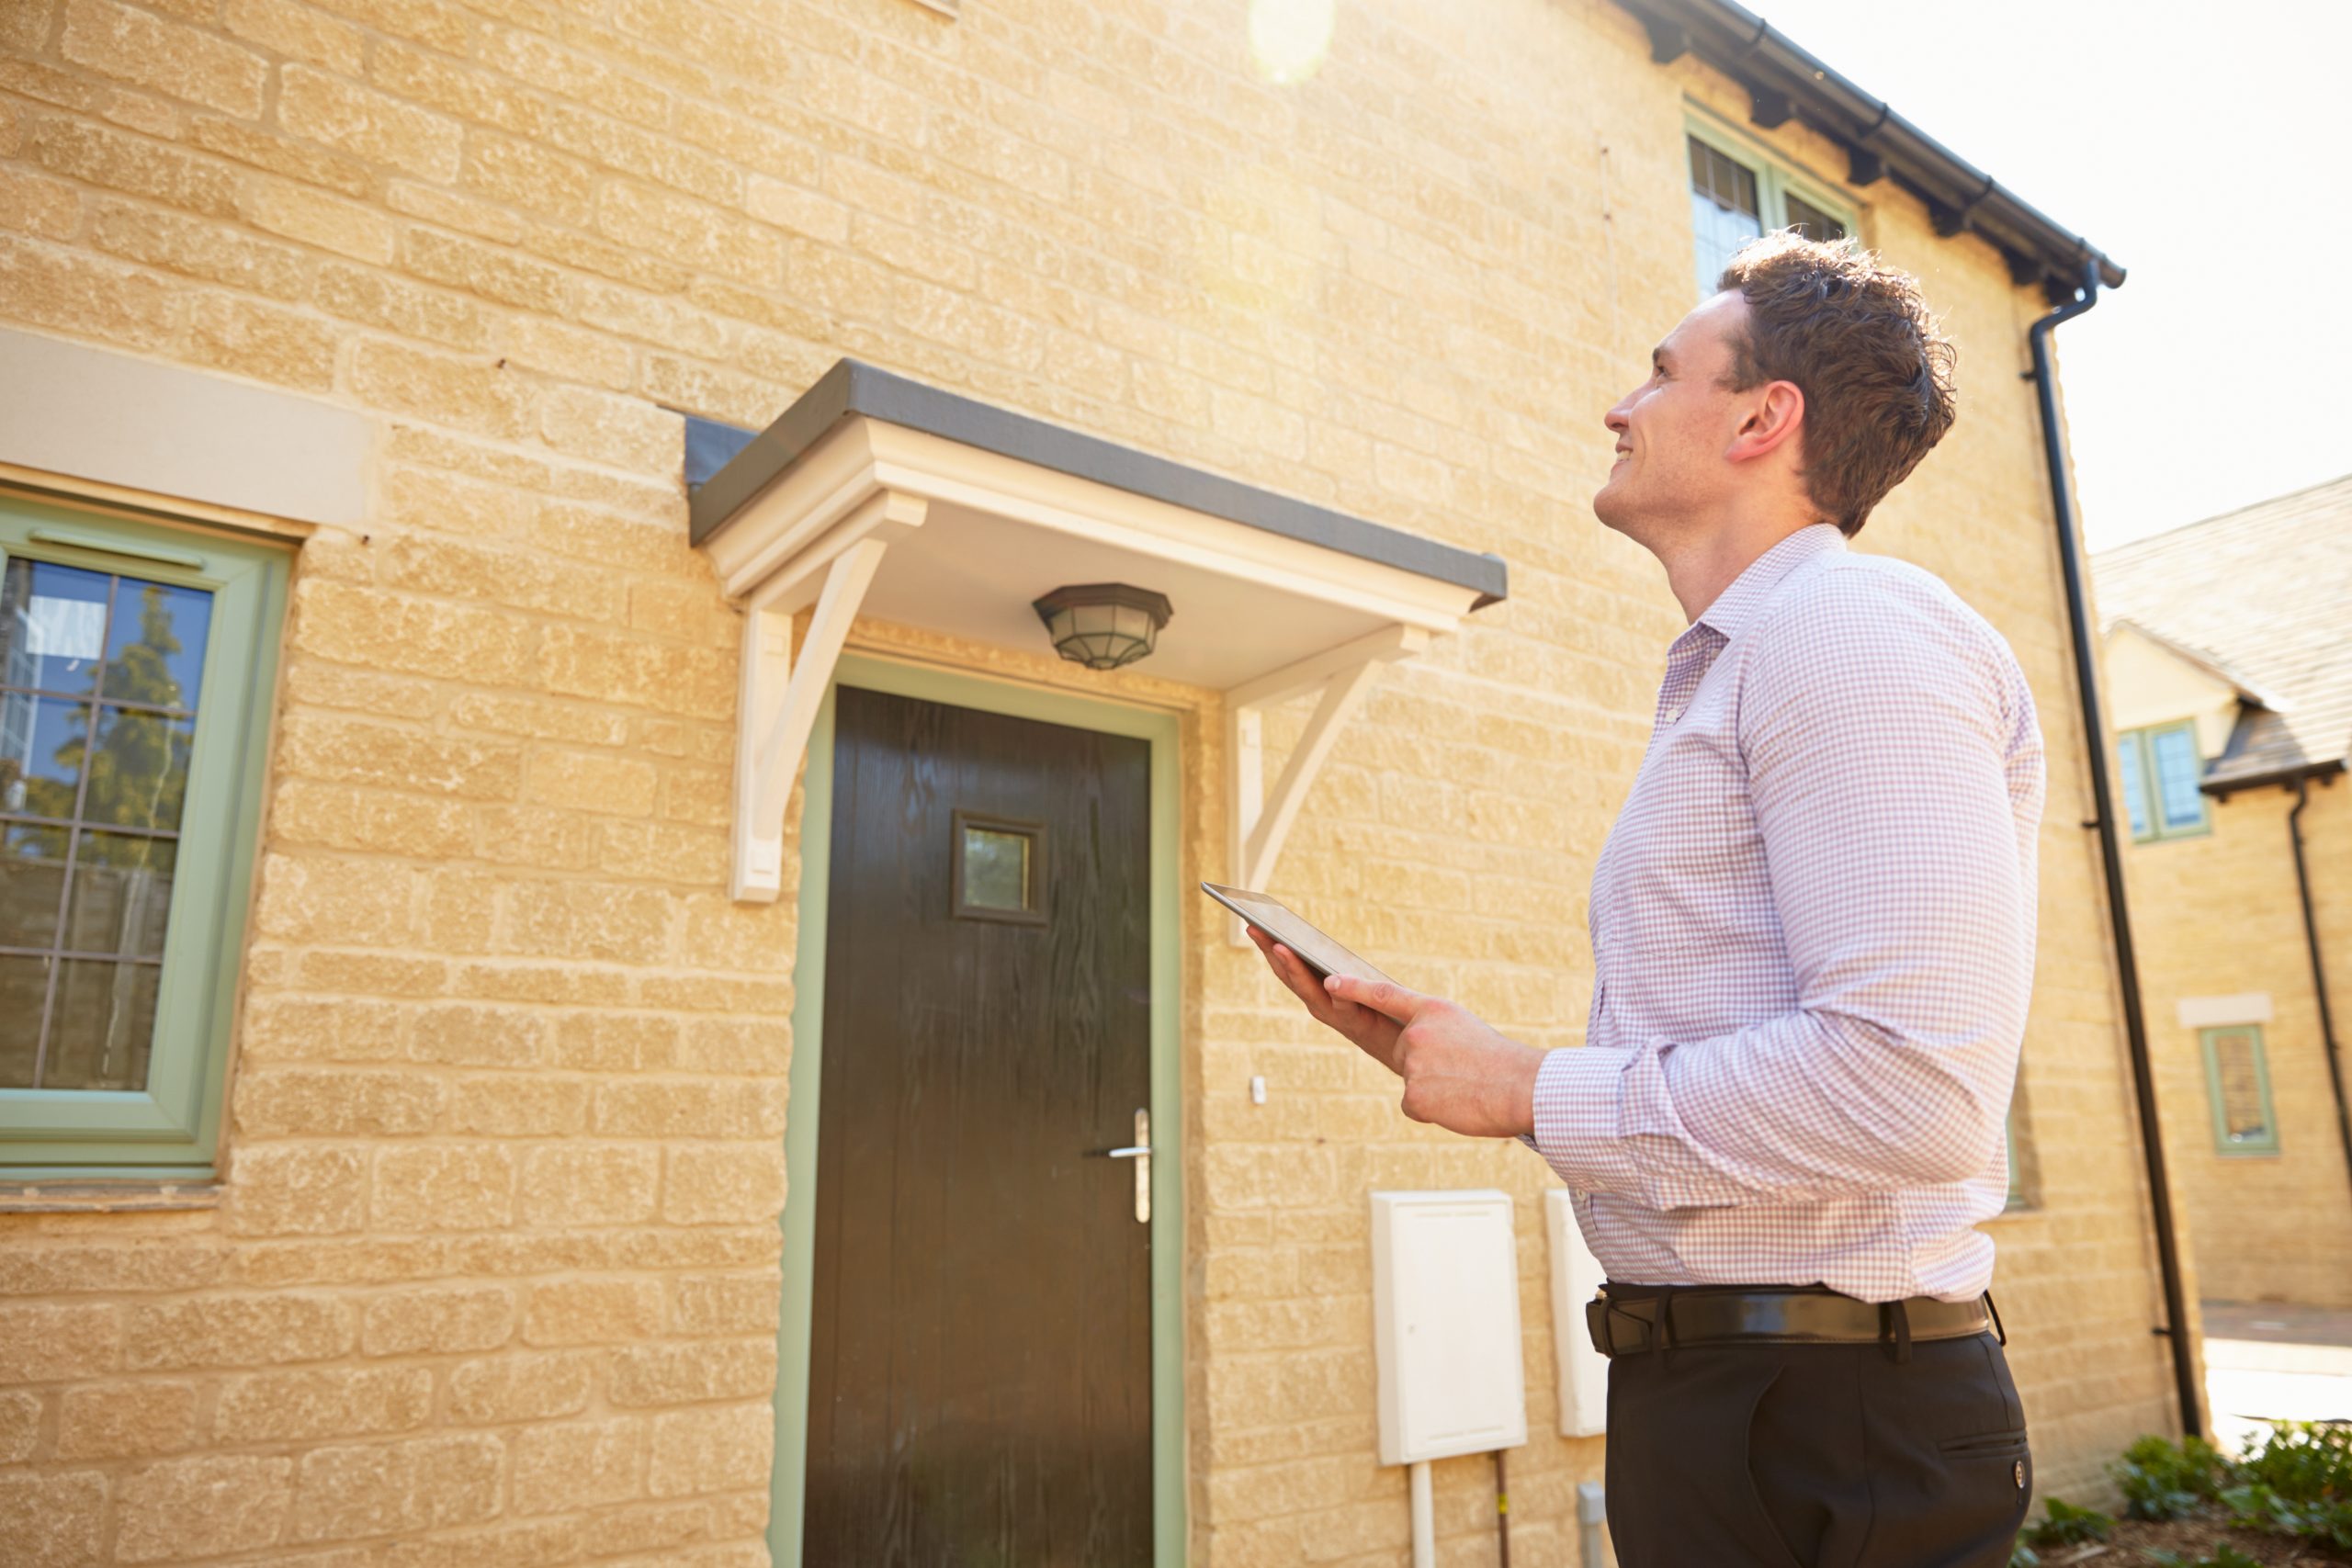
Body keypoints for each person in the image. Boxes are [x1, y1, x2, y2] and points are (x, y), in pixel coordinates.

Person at [1252, 230, 2043, 1567]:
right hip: (1731, 1402)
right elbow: (1753, 1112)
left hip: (1829, 1427)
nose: (1619, 405)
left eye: (1659, 373)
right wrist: (1478, 1068)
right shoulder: (1749, 665)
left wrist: (1533, 1088)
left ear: (1759, 417)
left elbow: (1915, 1088)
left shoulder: (1853, 634)